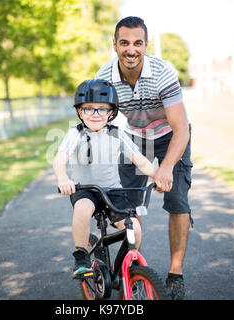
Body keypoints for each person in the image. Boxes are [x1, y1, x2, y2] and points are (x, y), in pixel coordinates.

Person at [95, 16, 193, 300]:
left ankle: (175, 273)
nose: (131, 49)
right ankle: (135, 267)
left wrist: (165, 168)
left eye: (138, 43)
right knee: (129, 205)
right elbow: (99, 122)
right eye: (124, 43)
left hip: (170, 137)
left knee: (177, 201)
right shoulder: (103, 79)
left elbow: (181, 129)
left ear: (145, 45)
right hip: (135, 138)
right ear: (114, 45)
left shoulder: (162, 73)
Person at [53, 79, 156, 277]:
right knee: (82, 209)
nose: (95, 114)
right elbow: (59, 161)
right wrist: (63, 178)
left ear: (111, 112)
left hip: (113, 191)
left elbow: (140, 160)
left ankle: (123, 269)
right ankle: (81, 256)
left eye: (102, 109)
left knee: (134, 228)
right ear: (80, 112)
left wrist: (157, 176)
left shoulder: (117, 134)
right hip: (85, 190)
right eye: (89, 109)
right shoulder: (75, 133)